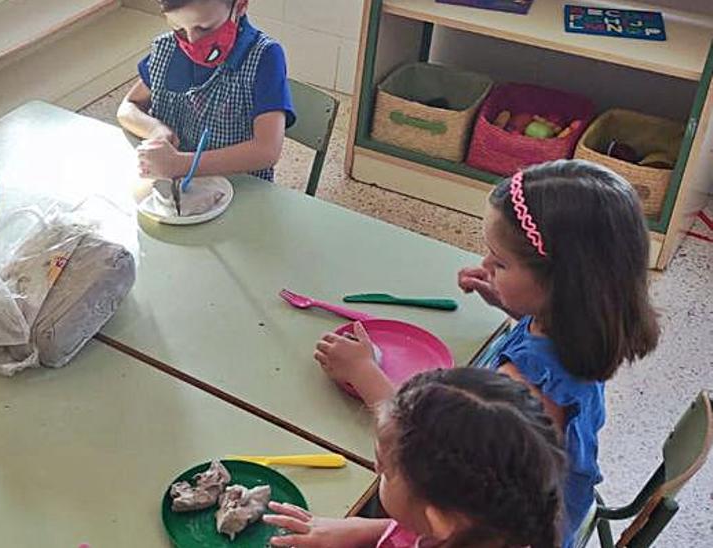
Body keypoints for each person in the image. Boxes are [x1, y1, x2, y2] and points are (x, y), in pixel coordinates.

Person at [316, 160, 660, 545]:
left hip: (501, 524)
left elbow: (427, 450)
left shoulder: (529, 390)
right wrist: (513, 305)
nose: (485, 265)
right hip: (518, 505)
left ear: (558, 285)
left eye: (500, 262)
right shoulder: (578, 328)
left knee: (350, 489)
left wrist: (363, 372)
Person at [267, 368, 566, 548]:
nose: (376, 467)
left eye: (384, 468)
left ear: (436, 518)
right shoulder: (483, 525)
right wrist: (362, 530)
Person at [118, 0, 294, 182]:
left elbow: (267, 150)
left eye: (205, 28)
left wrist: (181, 164)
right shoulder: (168, 49)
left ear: (240, 6)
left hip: (240, 185)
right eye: (179, 29)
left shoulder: (265, 57)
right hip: (175, 185)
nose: (192, 42)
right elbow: (128, 107)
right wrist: (158, 130)